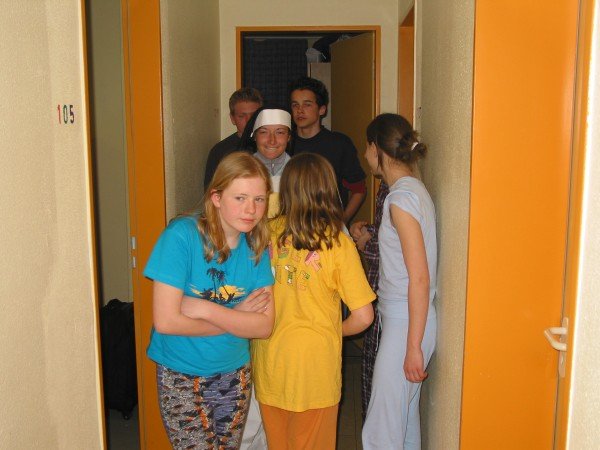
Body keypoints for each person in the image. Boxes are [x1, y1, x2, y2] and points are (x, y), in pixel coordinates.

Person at [144, 152, 275, 449]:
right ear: (216, 197)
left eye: (259, 199)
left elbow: (263, 326)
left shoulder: (256, 245)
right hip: (181, 372)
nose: (251, 209)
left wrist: (206, 309)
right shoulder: (181, 236)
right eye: (240, 198)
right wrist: (237, 317)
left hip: (234, 372)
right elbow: (166, 322)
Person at [252, 153, 376, 450]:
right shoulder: (338, 242)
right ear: (328, 189)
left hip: (271, 365)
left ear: (285, 189)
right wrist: (333, 330)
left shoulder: (265, 232)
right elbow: (364, 317)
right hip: (316, 369)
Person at [361, 114, 437, 449]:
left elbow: (419, 277)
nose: (365, 154)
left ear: (376, 148)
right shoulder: (412, 190)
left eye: (367, 147)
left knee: (382, 430)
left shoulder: (400, 199)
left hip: (408, 322)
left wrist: (412, 346)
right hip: (407, 319)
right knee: (402, 426)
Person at [288, 76, 367, 223]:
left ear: (322, 109)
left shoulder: (339, 144)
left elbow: (359, 189)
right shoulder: (284, 143)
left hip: (330, 228)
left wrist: (342, 221)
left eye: (307, 105)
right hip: (292, 227)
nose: (300, 110)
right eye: (295, 105)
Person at [349, 179, 389, 422]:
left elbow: (391, 250)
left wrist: (365, 243)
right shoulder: (386, 187)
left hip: (390, 308)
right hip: (383, 302)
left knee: (381, 396)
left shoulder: (401, 195)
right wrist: (368, 232)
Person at [204, 87, 263, 189]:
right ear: (232, 119)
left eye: (254, 115)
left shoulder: (273, 146)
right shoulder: (219, 151)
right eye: (242, 116)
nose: (249, 121)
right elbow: (211, 192)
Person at [239, 105, 293, 217]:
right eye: (264, 132)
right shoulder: (240, 170)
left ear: (289, 137)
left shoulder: (300, 171)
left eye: (280, 132)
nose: (272, 141)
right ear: (254, 136)